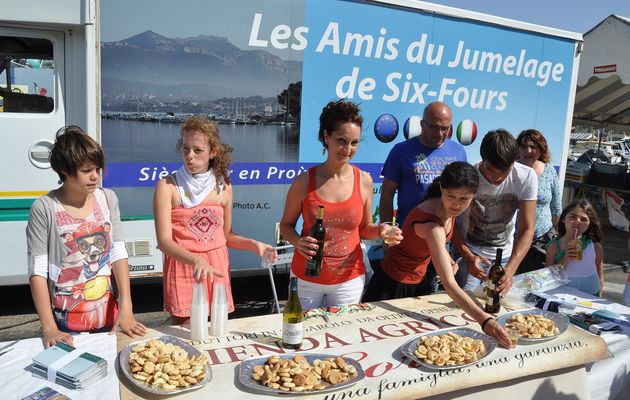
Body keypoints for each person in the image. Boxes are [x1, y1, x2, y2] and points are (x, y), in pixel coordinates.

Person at [364, 162, 511, 347]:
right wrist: (484, 320)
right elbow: (449, 284)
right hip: (392, 286)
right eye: (450, 196)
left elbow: (437, 242)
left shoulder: (446, 208)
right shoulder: (432, 226)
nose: (456, 204)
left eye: (464, 198)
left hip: (418, 283)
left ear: (474, 195)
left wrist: (450, 257)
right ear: (442, 188)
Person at [26, 126, 146, 348]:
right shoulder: (44, 208)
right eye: (86, 170)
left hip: (109, 316)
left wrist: (126, 307)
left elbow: (118, 253)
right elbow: (37, 271)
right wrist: (50, 328)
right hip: (65, 322)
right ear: (64, 170)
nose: (95, 176)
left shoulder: (107, 198)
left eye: (98, 169)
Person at [280, 100, 402, 310]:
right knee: (303, 336)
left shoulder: (363, 180)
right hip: (307, 278)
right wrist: (298, 242)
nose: (348, 149)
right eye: (342, 141)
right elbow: (286, 225)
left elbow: (364, 229)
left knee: (343, 339)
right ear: (326, 137)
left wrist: (382, 229)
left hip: (349, 280)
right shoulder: (303, 182)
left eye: (354, 143)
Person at [154, 116, 275, 324]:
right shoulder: (167, 187)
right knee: (186, 333)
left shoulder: (224, 186)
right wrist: (196, 260)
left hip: (217, 266)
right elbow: (164, 242)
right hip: (185, 266)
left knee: (217, 330)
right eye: (185, 149)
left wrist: (255, 245)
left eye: (198, 150)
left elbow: (226, 235)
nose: (190, 156)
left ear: (213, 152)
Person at [379, 101, 467, 291]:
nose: (439, 133)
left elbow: (460, 201)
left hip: (441, 245)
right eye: (434, 127)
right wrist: (386, 235)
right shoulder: (401, 151)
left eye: (445, 129)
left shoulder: (459, 152)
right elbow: (386, 195)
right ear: (422, 124)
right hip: (407, 246)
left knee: (431, 303)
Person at [454, 129, 538, 297]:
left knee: (495, 305)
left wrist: (511, 269)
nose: (497, 177)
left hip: (504, 257)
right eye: (490, 170)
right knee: (463, 303)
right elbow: (451, 223)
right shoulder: (469, 175)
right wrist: (468, 256)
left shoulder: (527, 176)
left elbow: (527, 228)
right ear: (482, 159)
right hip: (469, 251)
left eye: (504, 171)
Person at [516, 129, 561, 272]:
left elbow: (556, 208)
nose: (527, 150)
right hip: (514, 239)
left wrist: (558, 241)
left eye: (533, 147)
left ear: (541, 150)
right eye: (523, 146)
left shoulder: (550, 171)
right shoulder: (511, 169)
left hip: (542, 240)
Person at [546, 199, 604, 297]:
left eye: (583, 219)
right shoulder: (554, 246)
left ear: (590, 223)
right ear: (563, 219)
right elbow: (549, 275)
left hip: (591, 293)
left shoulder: (595, 246)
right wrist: (566, 258)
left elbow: (599, 268)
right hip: (563, 294)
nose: (577, 221)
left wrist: (601, 290)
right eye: (573, 217)